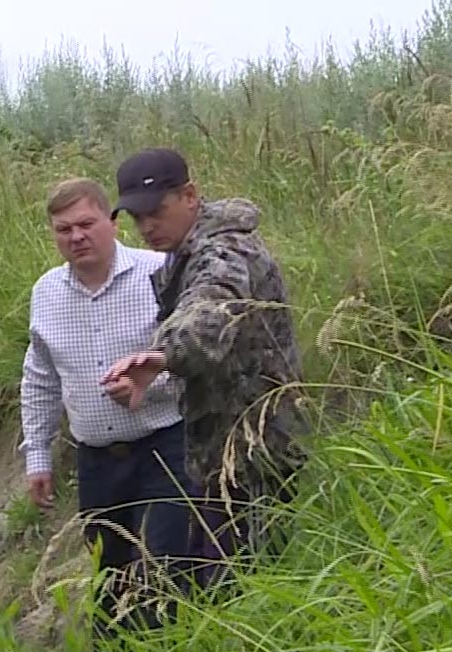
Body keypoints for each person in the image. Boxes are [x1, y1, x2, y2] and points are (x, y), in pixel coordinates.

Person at [102, 148, 309, 585]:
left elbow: (211, 311)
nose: (147, 227)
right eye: (137, 219)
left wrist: (163, 357)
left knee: (245, 587)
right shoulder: (185, 250)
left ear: (190, 196)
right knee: (216, 580)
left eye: (156, 212)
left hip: (257, 454)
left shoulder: (226, 249)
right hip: (219, 451)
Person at [19, 177, 200, 652]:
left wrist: (151, 385)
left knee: (167, 560)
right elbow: (39, 378)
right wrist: (37, 455)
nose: (76, 237)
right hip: (98, 456)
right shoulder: (47, 293)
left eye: (86, 224)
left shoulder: (159, 272)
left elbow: (192, 354)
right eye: (63, 229)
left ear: (111, 222)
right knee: (110, 571)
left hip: (167, 443)